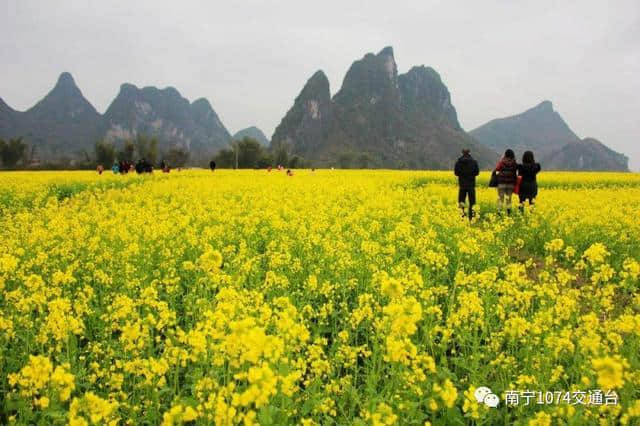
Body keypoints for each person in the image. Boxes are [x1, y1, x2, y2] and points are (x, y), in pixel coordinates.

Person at [454, 148, 480, 220]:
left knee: (461, 201)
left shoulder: (458, 162)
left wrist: (462, 174)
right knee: (472, 201)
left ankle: (462, 216)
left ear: (462, 153)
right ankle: (472, 217)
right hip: (471, 184)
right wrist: (471, 175)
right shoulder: (474, 162)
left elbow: (456, 173)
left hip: (462, 184)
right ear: (469, 153)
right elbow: (477, 172)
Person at [495, 149, 518, 215]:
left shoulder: (502, 162)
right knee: (509, 199)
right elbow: (516, 171)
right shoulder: (514, 162)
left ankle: (499, 213)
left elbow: (496, 169)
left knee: (500, 199)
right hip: (510, 184)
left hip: (501, 183)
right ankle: (508, 214)